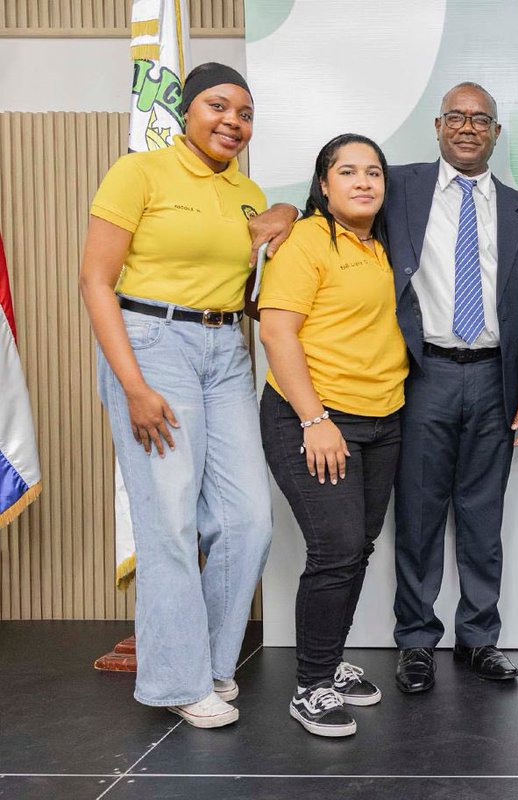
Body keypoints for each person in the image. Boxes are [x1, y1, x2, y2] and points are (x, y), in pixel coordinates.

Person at [249, 82, 518, 693]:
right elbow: (329, 208)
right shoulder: (398, 187)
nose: (467, 127)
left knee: (482, 515)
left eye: (481, 119)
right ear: (437, 126)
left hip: (495, 377)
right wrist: (282, 212)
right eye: (456, 116)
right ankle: (416, 640)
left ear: (496, 132)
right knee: (417, 514)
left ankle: (480, 638)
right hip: (422, 374)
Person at [79, 62, 272, 729]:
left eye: (245, 113)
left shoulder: (248, 191)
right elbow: (96, 281)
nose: (233, 122)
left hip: (227, 350)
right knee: (169, 519)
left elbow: (250, 293)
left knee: (248, 521)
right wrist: (133, 385)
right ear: (187, 111)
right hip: (152, 344)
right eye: (218, 106)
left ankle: (209, 664)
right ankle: (176, 681)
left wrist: (278, 224)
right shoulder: (140, 172)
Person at [258, 134, 408, 736]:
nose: (363, 182)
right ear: (324, 184)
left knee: (357, 547)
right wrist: (315, 419)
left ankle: (328, 661)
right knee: (336, 548)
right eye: (348, 172)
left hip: (383, 418)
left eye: (373, 172)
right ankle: (311, 686)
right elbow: (276, 333)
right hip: (316, 418)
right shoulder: (307, 241)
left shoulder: (382, 244)